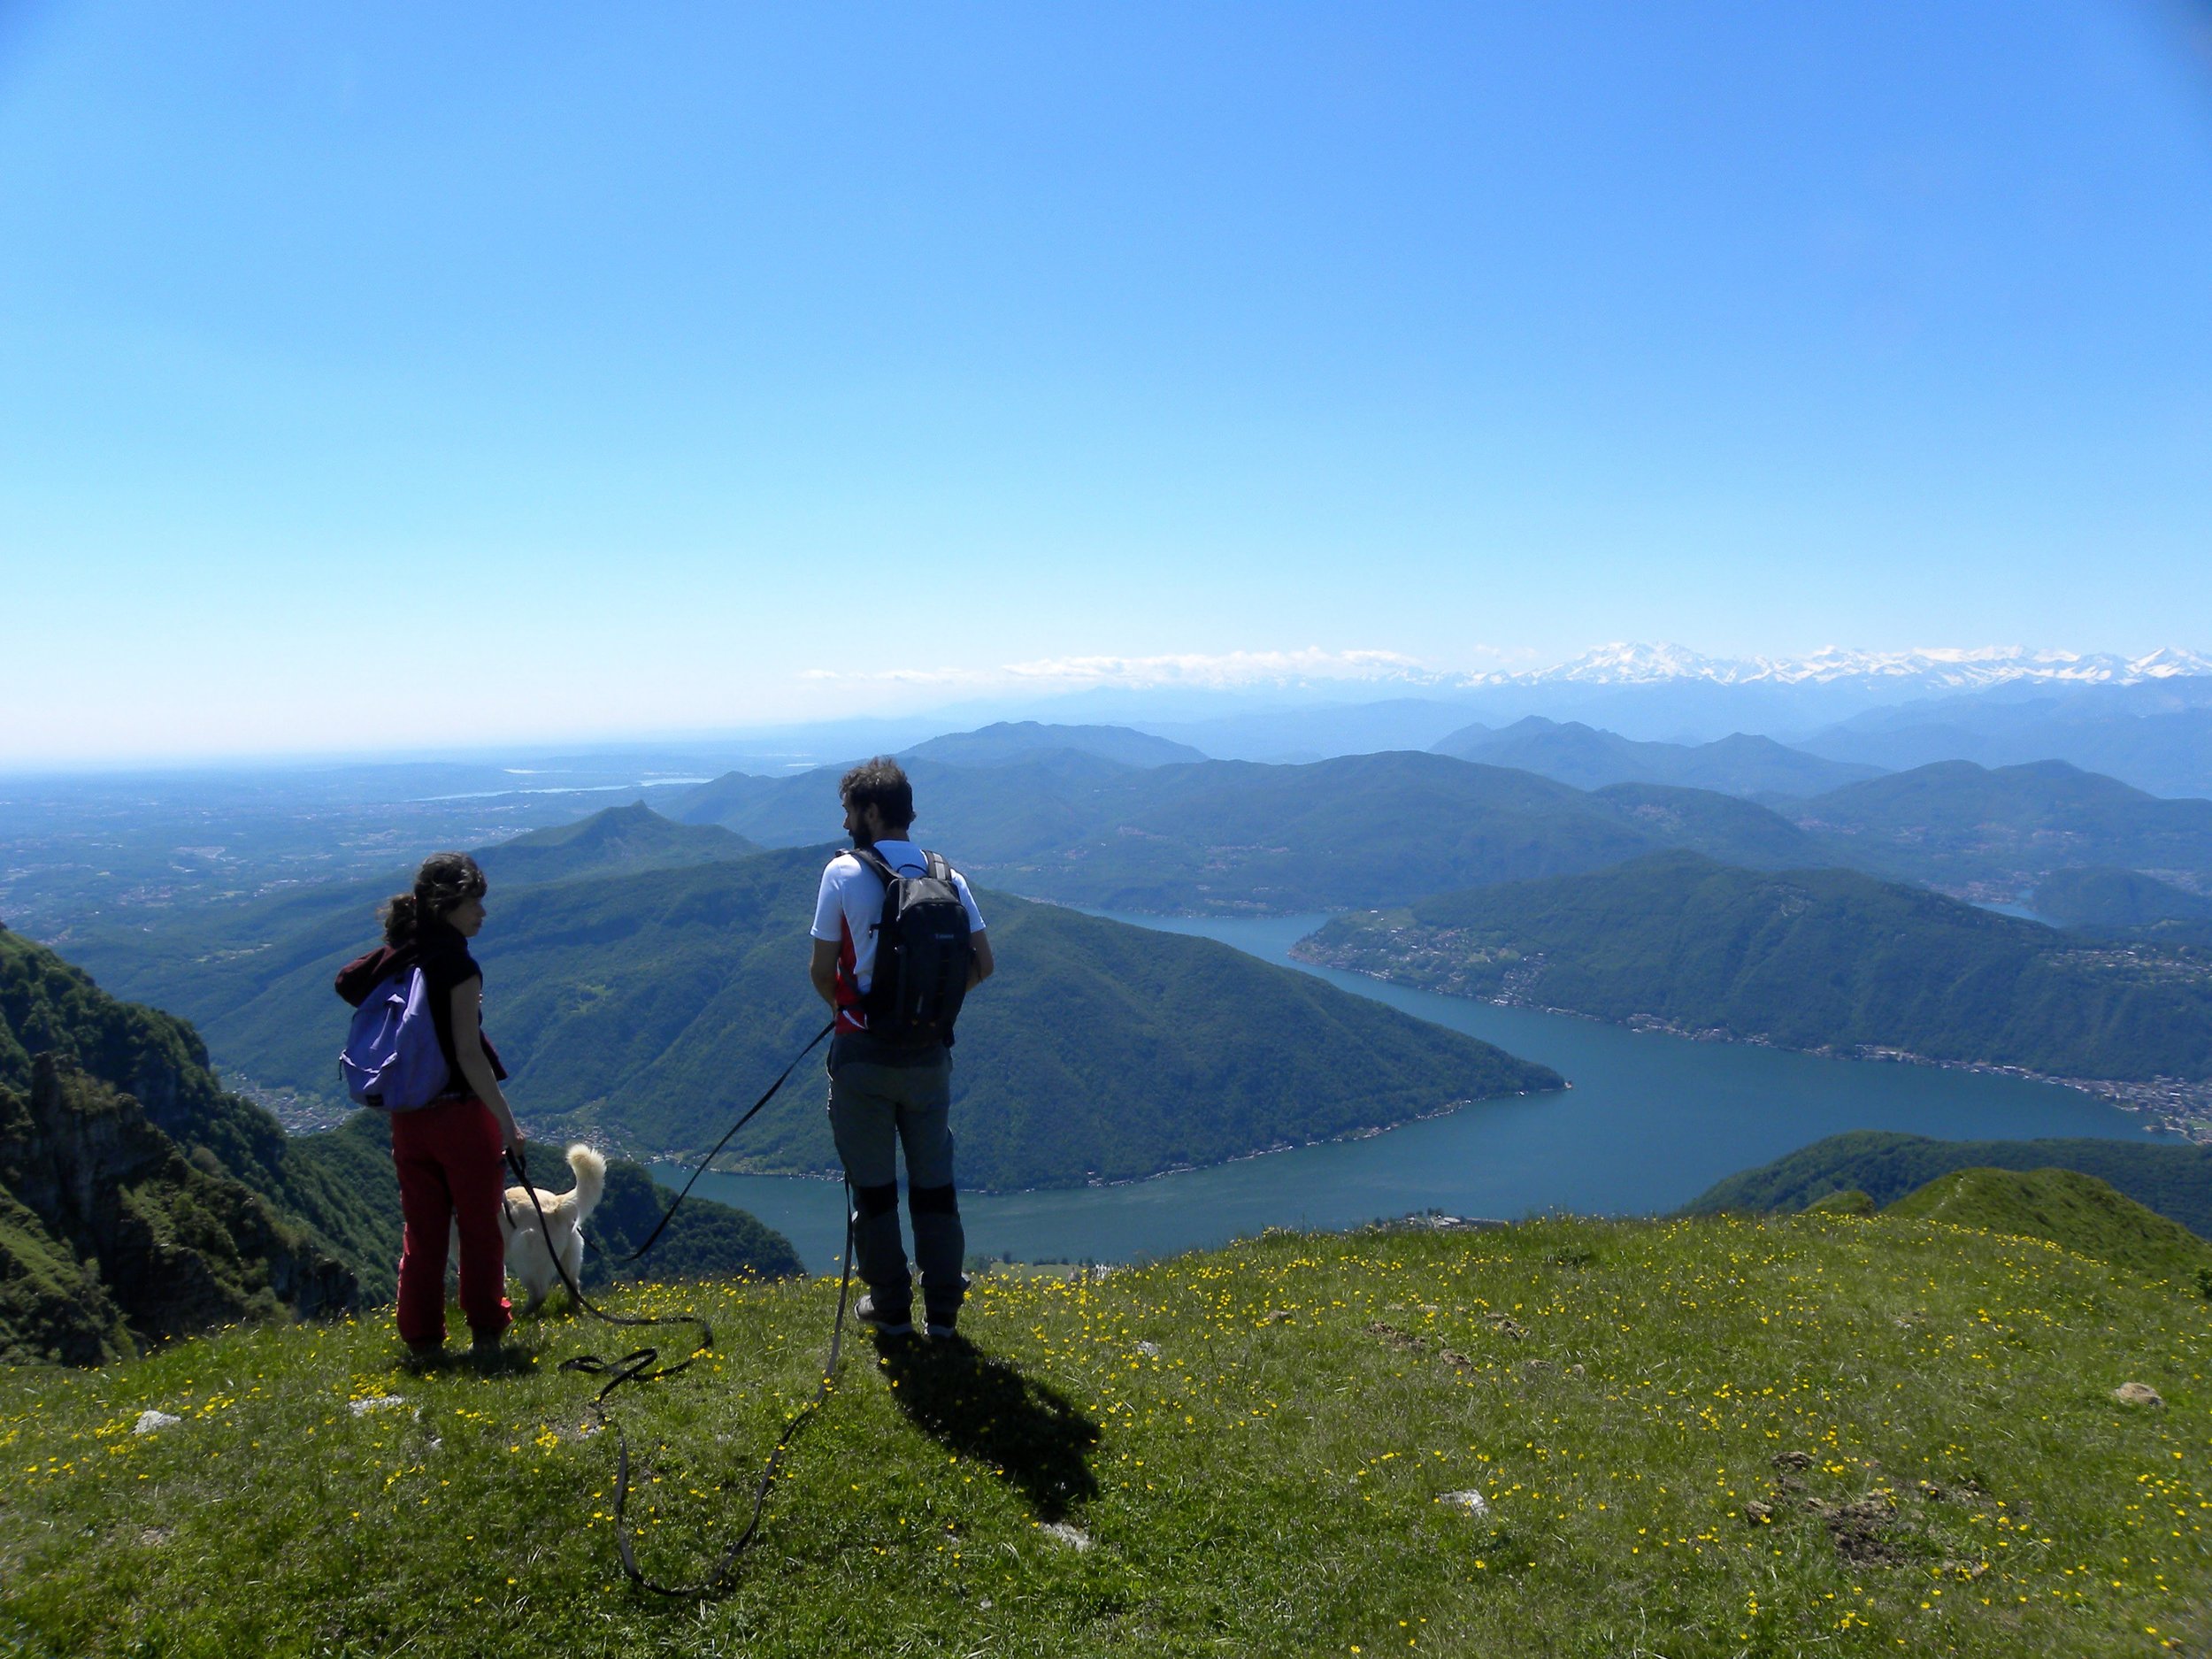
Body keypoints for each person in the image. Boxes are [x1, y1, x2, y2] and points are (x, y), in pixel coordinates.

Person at [810, 757, 995, 1339]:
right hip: (929, 1057)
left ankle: (890, 1309)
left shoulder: (842, 873)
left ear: (871, 810)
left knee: (876, 1189)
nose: (844, 820)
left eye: (849, 809)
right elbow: (983, 963)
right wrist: (930, 1013)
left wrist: (854, 1012)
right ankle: (942, 1312)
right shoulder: (949, 876)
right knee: (934, 1186)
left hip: (863, 1057)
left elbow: (820, 969)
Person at [335, 851, 525, 1366]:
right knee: (480, 1229)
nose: (482, 913)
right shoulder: (457, 965)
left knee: (423, 1233)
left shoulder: (399, 954)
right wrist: (507, 1124)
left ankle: (422, 1340)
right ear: (447, 906)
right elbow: (468, 1052)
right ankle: (486, 1330)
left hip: (409, 1117)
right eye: (473, 903)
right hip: (462, 1118)